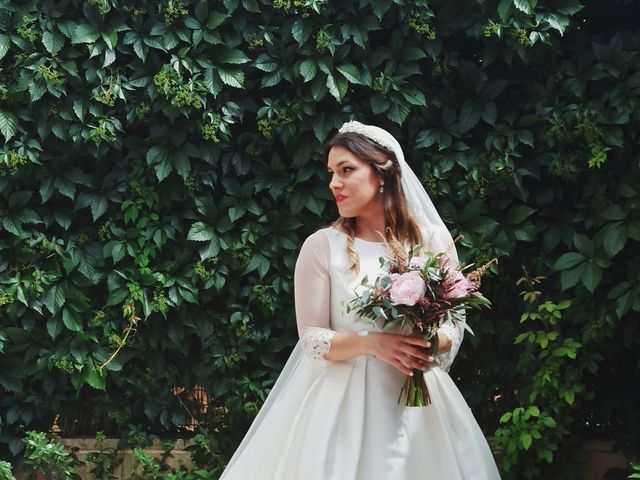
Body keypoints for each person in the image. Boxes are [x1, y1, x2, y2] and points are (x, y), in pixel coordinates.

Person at [219, 121, 501, 479]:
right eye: (331, 173)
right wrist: (374, 343)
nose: (334, 183)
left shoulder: (432, 241)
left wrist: (426, 342)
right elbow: (313, 338)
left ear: (382, 173)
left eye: (347, 170)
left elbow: (453, 328)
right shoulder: (322, 246)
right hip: (342, 408)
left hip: (416, 404)